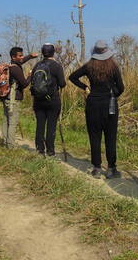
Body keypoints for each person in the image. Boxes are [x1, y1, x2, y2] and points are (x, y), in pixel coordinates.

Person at [69, 40, 125, 179]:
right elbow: (121, 87)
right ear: (107, 52)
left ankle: (97, 168)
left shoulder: (89, 66)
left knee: (95, 136)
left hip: (93, 103)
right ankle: (111, 169)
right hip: (109, 105)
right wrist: (113, 94)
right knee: (110, 137)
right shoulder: (113, 67)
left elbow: (72, 77)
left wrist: (86, 87)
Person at [31, 43, 66, 157]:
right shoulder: (57, 66)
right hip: (53, 100)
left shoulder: (36, 66)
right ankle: (50, 151)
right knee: (51, 126)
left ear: (42, 53)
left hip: (38, 100)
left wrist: (33, 102)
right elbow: (62, 84)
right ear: (53, 53)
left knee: (40, 125)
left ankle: (39, 150)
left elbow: (33, 85)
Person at [1, 47, 38, 150]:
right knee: (13, 122)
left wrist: (31, 56)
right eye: (20, 56)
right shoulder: (16, 69)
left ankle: (5, 142)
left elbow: (22, 61)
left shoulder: (11, 65)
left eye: (22, 55)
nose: (22, 57)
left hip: (6, 97)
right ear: (14, 57)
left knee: (6, 120)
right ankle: (11, 146)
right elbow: (25, 84)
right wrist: (30, 76)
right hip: (14, 99)